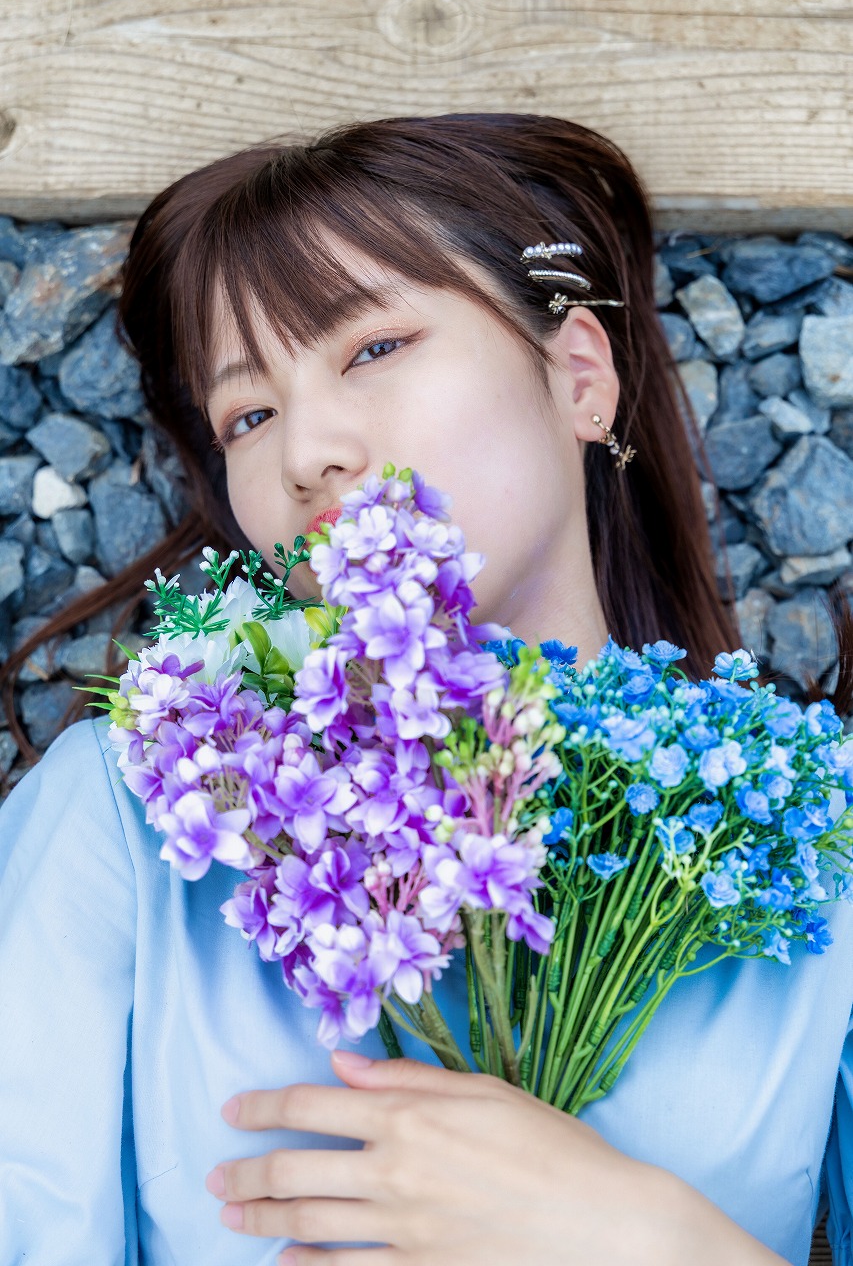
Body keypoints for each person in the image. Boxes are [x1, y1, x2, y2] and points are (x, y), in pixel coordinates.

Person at [0, 113, 851, 1266]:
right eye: (249, 414)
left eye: (372, 347)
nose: (306, 452)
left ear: (578, 375)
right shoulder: (131, 816)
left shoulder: (813, 836)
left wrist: (634, 1235)